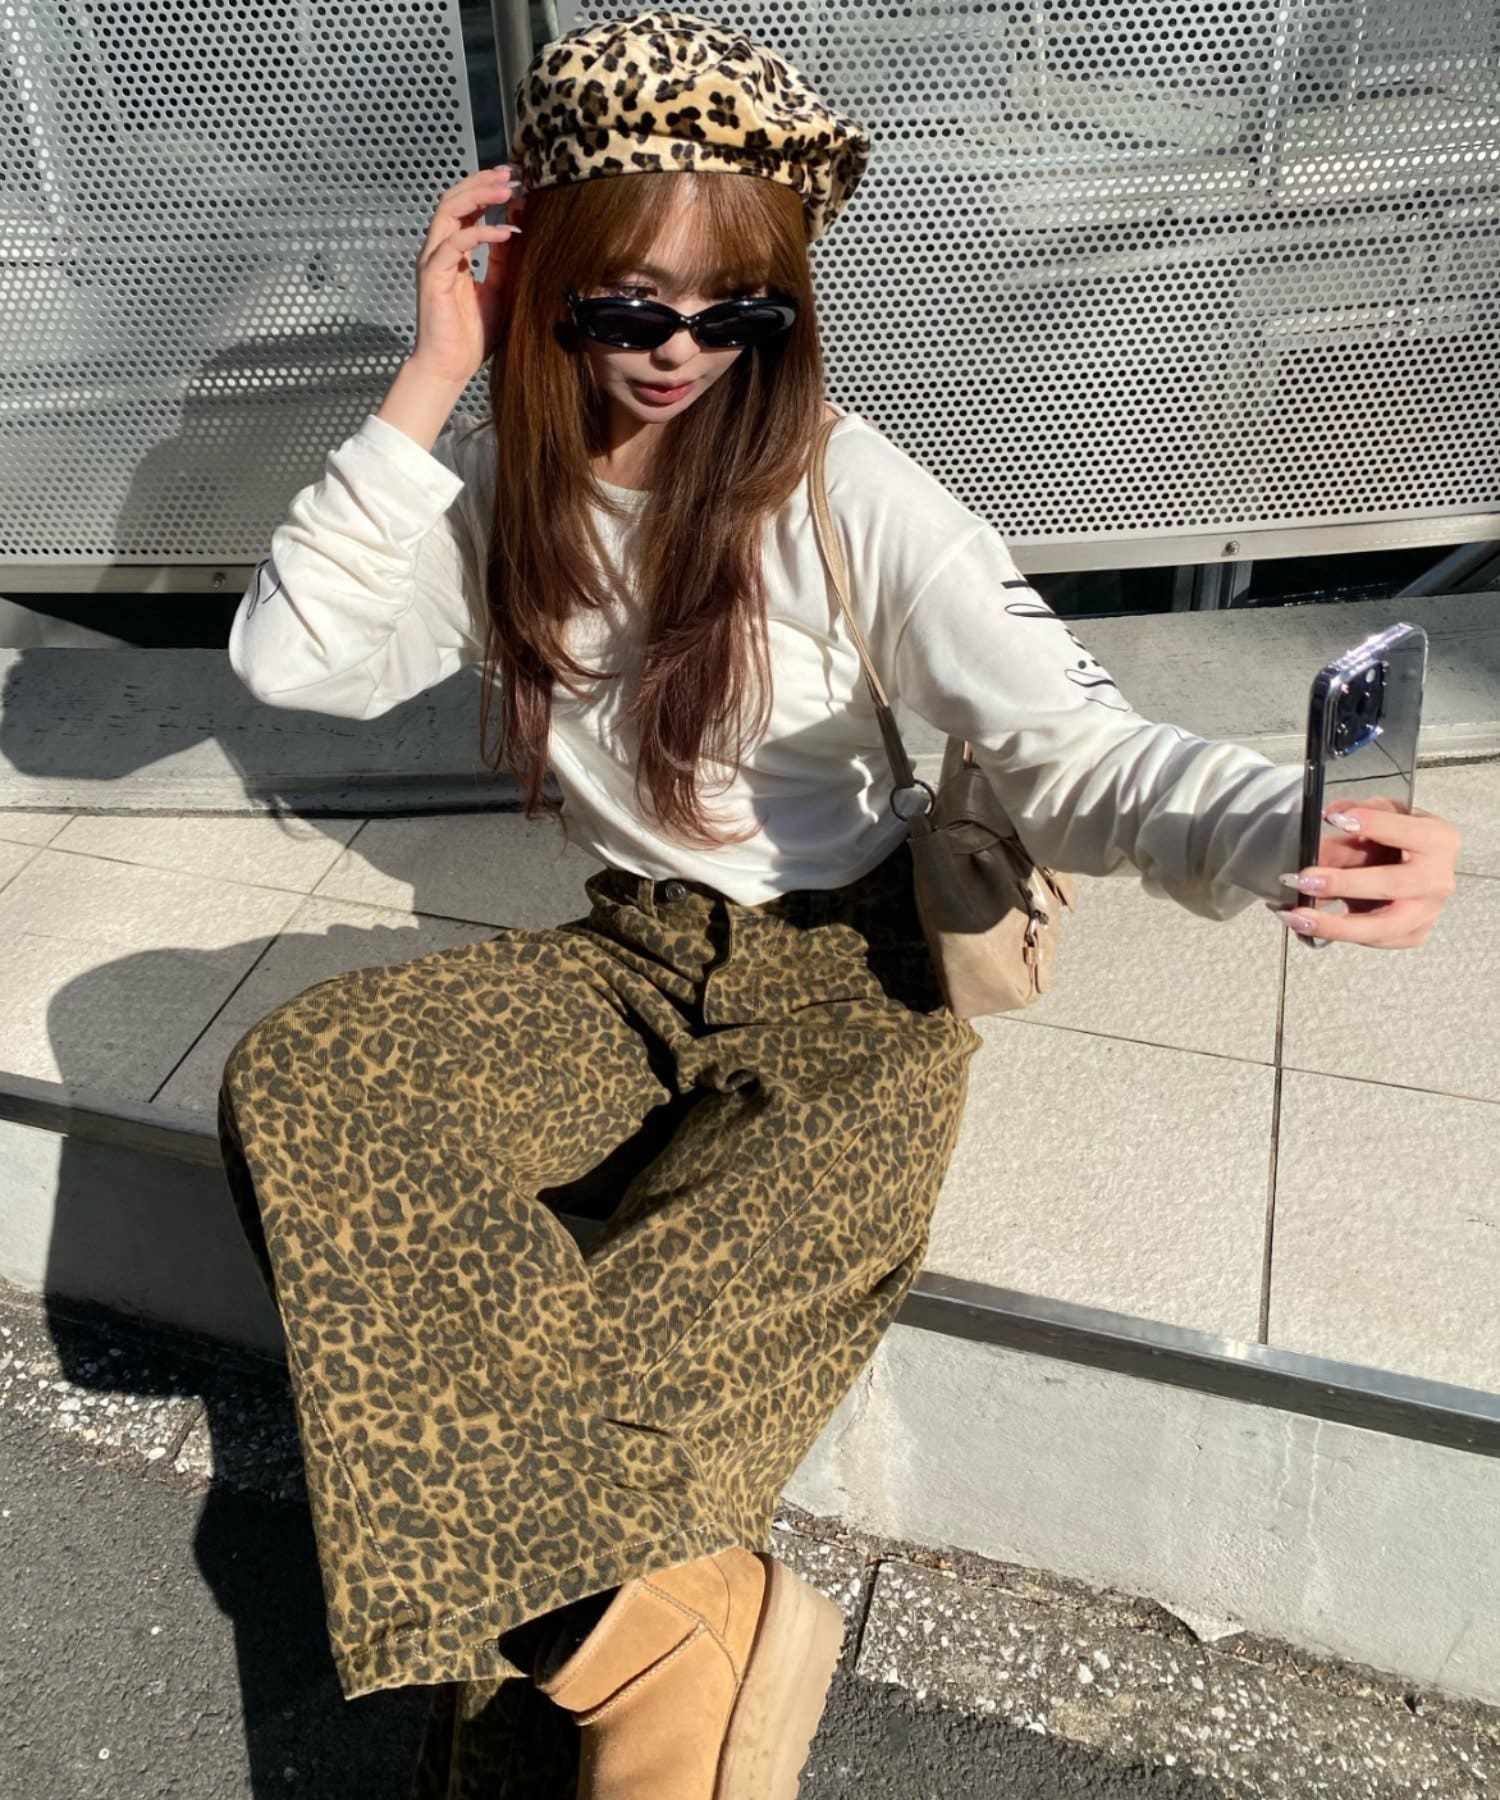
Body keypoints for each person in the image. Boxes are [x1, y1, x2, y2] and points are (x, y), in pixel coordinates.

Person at [215, 10, 1463, 1798]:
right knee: (315, 1080)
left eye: (738, 310)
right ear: (540, 271)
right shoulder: (507, 488)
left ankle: (621, 1684)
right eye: (628, 303)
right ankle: (686, 1639)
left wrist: (1286, 828)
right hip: (634, 957)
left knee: (622, 1397)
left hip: (852, 994)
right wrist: (432, 378)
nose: (680, 351)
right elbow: (295, 661)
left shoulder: (848, 493)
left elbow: (1072, 748)